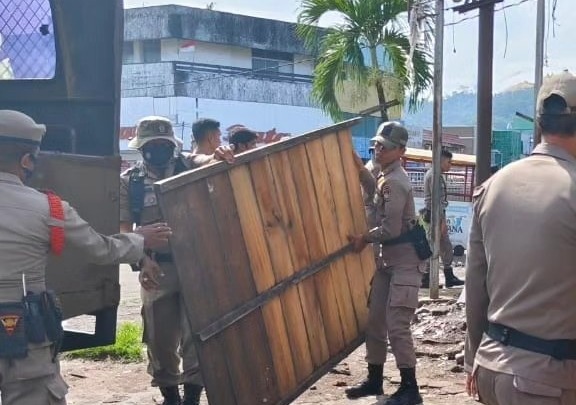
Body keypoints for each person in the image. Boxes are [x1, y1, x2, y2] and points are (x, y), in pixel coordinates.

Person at [0, 110, 170, 405]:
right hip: (26, 329)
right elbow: (101, 249)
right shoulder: (49, 209)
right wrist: (141, 238)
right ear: (27, 160)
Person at [464, 71, 576, 405]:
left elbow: (475, 282)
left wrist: (473, 357)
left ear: (540, 123)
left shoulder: (495, 185)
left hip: (491, 369)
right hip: (546, 381)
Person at [120, 116, 233, 405]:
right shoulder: (130, 183)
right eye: (152, 145)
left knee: (197, 336)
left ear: (172, 145)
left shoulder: (187, 166)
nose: (158, 149)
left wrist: (217, 155)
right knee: (159, 339)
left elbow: (205, 160)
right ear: (141, 148)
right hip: (157, 269)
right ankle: (170, 395)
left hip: (197, 265)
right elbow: (124, 232)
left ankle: (192, 397)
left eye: (164, 144)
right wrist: (143, 261)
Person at [347, 122, 424, 405]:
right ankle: (374, 378)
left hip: (404, 263)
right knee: (376, 321)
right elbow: (375, 193)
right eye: (377, 145)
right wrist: (359, 169)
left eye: (385, 147)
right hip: (388, 263)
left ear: (400, 151)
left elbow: (390, 230)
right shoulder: (383, 175)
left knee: (397, 325)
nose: (378, 150)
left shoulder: (395, 181)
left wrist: (363, 238)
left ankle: (410, 388)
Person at [421, 149, 464, 288]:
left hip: (435, 215)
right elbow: (436, 201)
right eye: (448, 162)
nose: (450, 165)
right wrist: (442, 221)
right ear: (440, 161)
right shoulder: (434, 176)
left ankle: (448, 276)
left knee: (445, 246)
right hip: (435, 216)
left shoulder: (436, 175)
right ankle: (427, 278)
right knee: (433, 246)